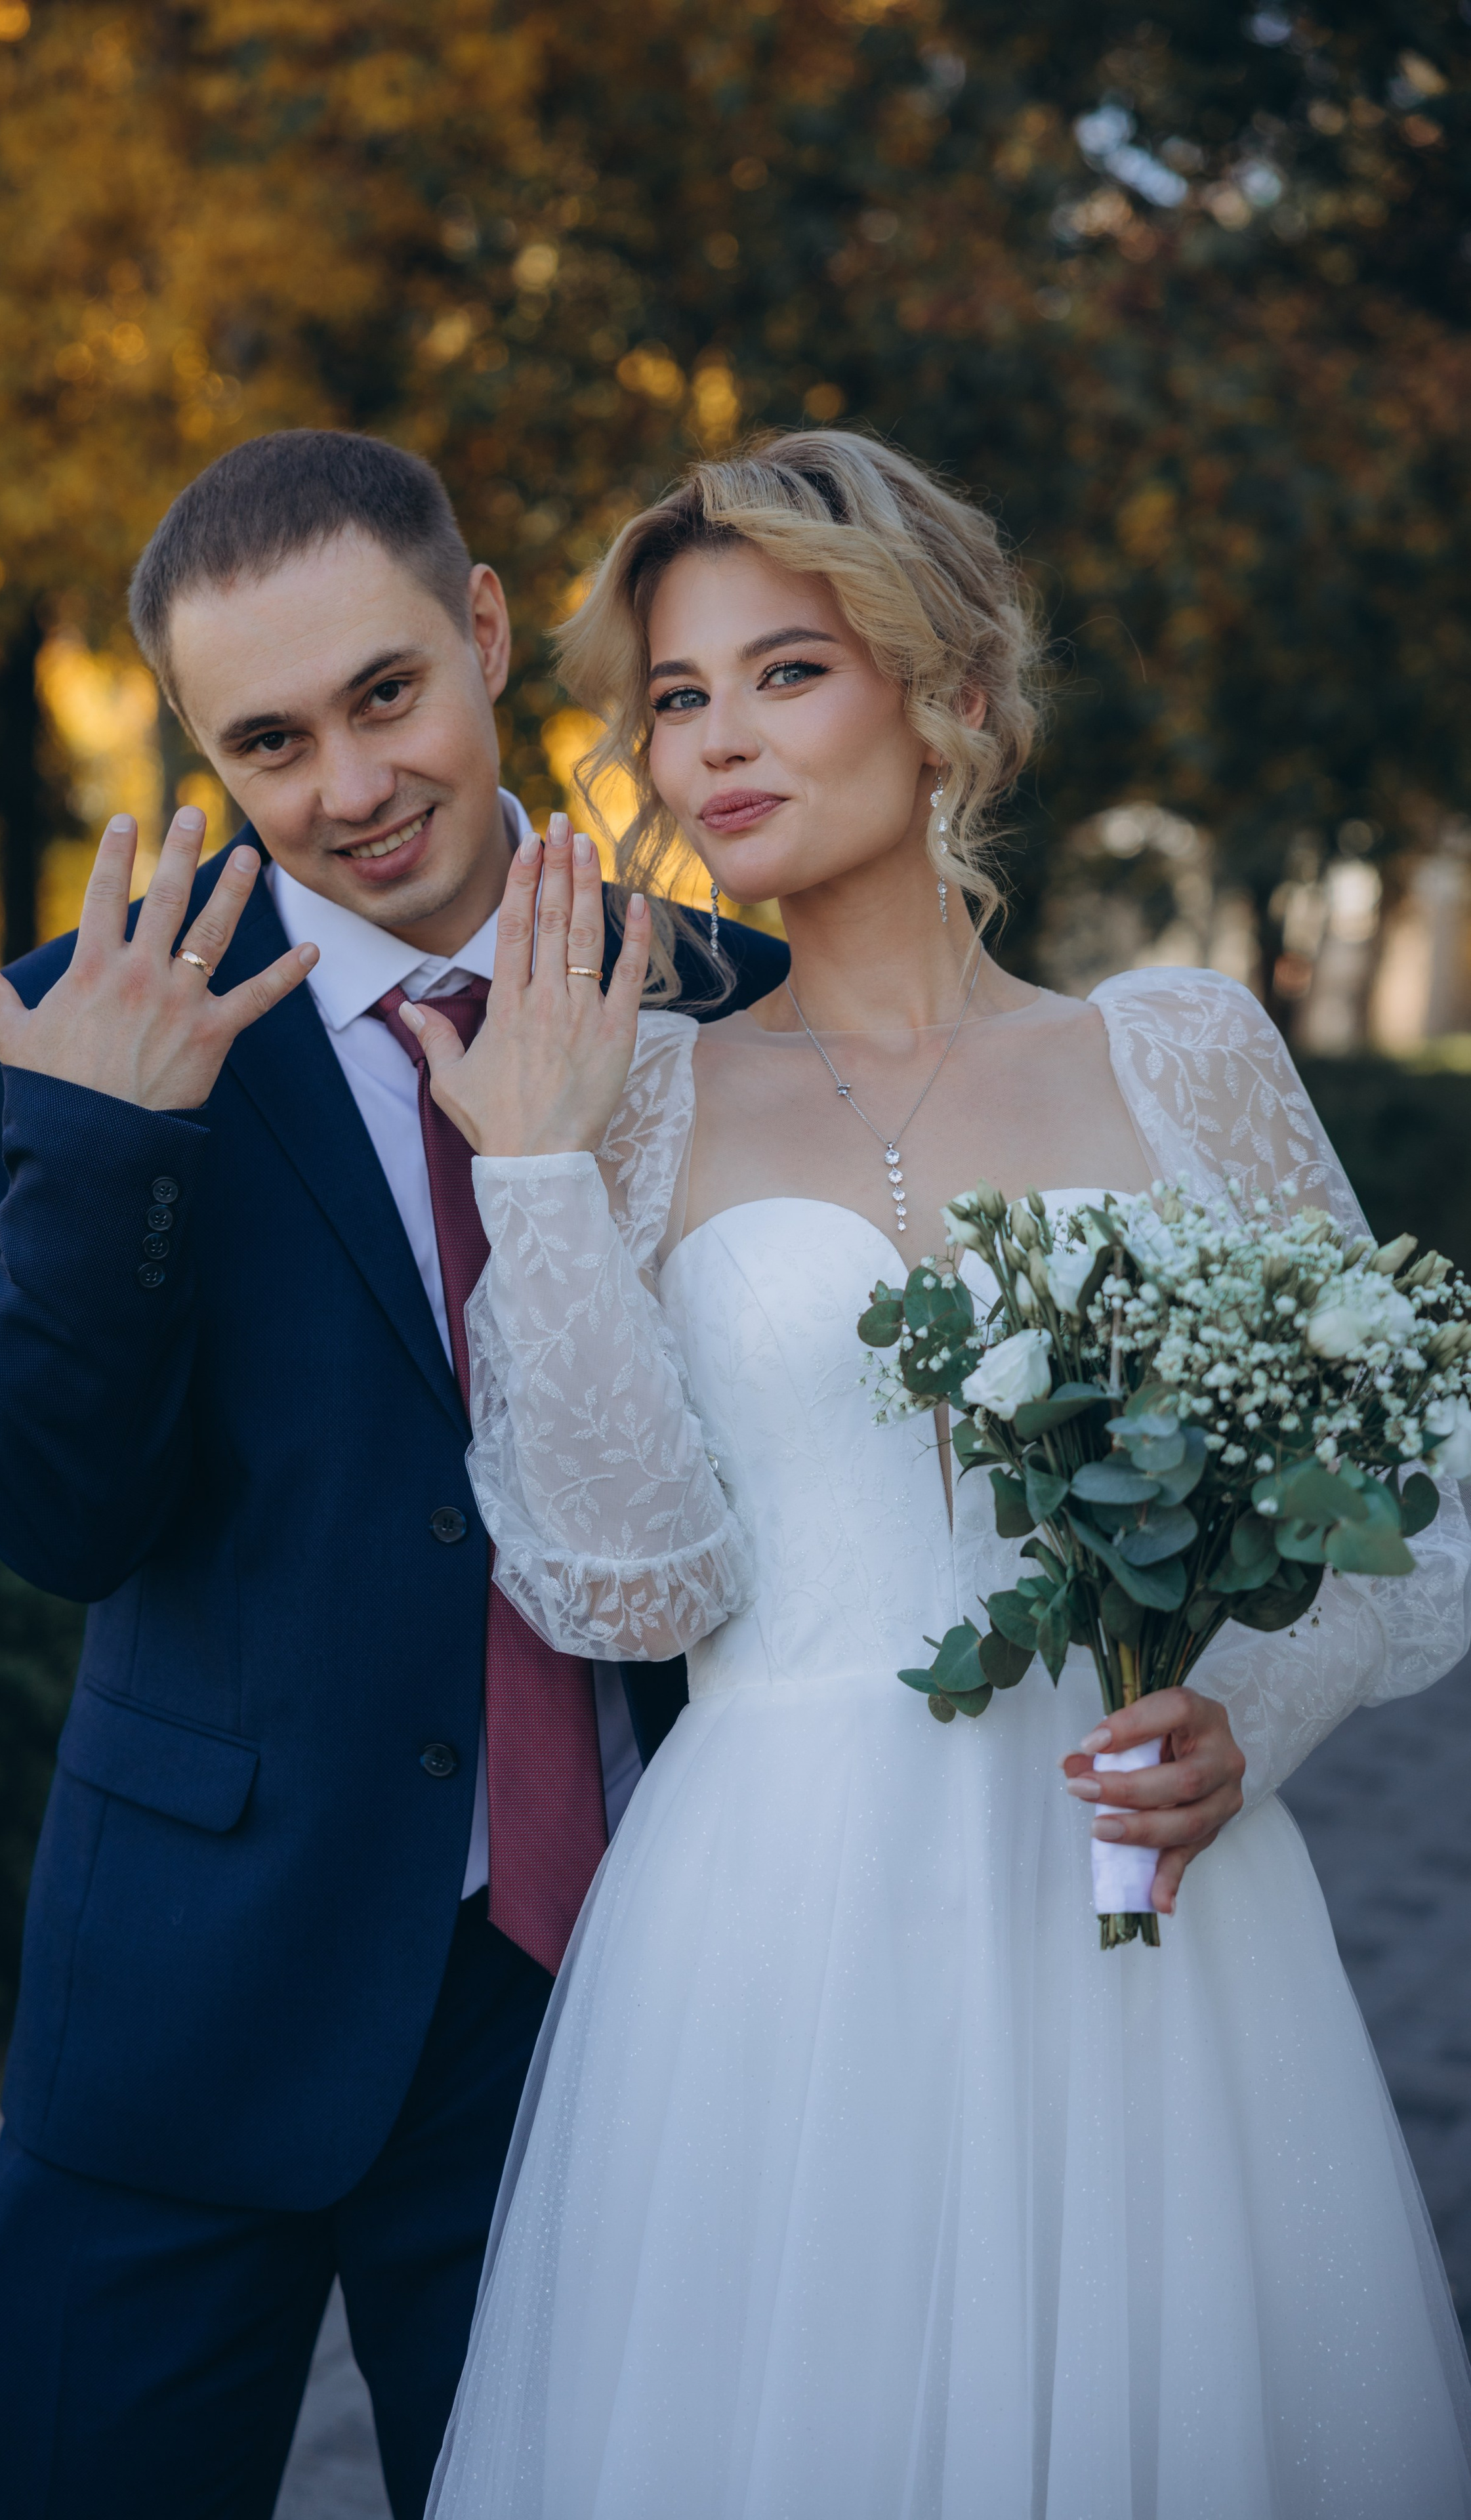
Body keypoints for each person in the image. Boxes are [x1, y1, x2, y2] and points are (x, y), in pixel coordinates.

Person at [410, 430, 1471, 2517]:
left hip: (1139, 1905)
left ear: (954, 695)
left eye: (786, 672)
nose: (714, 742)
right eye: (677, 697)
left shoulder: (1181, 1051)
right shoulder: (632, 1104)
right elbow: (628, 1591)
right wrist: (529, 1172)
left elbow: (1414, 1501)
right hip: (773, 1923)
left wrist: (1238, 1727)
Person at [0, 428, 788, 2520]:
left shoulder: (728, 1004)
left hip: (588, 2009)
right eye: (269, 740)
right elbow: (57, 1520)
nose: (346, 785)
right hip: (182, 2014)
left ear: (486, 629)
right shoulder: (78, 1027)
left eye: (387, 694)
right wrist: (112, 1149)